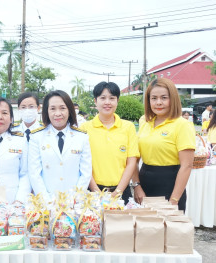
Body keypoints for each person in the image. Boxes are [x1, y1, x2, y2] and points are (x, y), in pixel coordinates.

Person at [132, 78, 195, 211]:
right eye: (154, 98)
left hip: (171, 183)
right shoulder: (144, 121)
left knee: (169, 229)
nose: (158, 102)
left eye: (164, 98)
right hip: (144, 181)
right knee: (145, 228)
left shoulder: (182, 125)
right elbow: (134, 158)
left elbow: (187, 165)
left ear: (173, 99)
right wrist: (136, 186)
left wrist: (174, 200)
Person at [79, 82, 139, 204]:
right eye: (103, 98)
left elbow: (131, 161)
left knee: (121, 223)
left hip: (122, 191)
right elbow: (82, 163)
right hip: (92, 192)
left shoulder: (128, 127)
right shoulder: (84, 128)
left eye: (112, 98)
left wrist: (118, 192)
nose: (107, 102)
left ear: (117, 101)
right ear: (95, 101)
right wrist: (95, 190)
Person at [28, 90, 92, 202]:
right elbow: (35, 174)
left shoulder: (81, 137)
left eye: (62, 108)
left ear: (69, 110)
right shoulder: (36, 137)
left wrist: (74, 199)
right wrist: (47, 201)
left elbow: (86, 173)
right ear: (46, 111)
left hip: (75, 202)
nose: (58, 113)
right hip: (46, 202)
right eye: (52, 109)